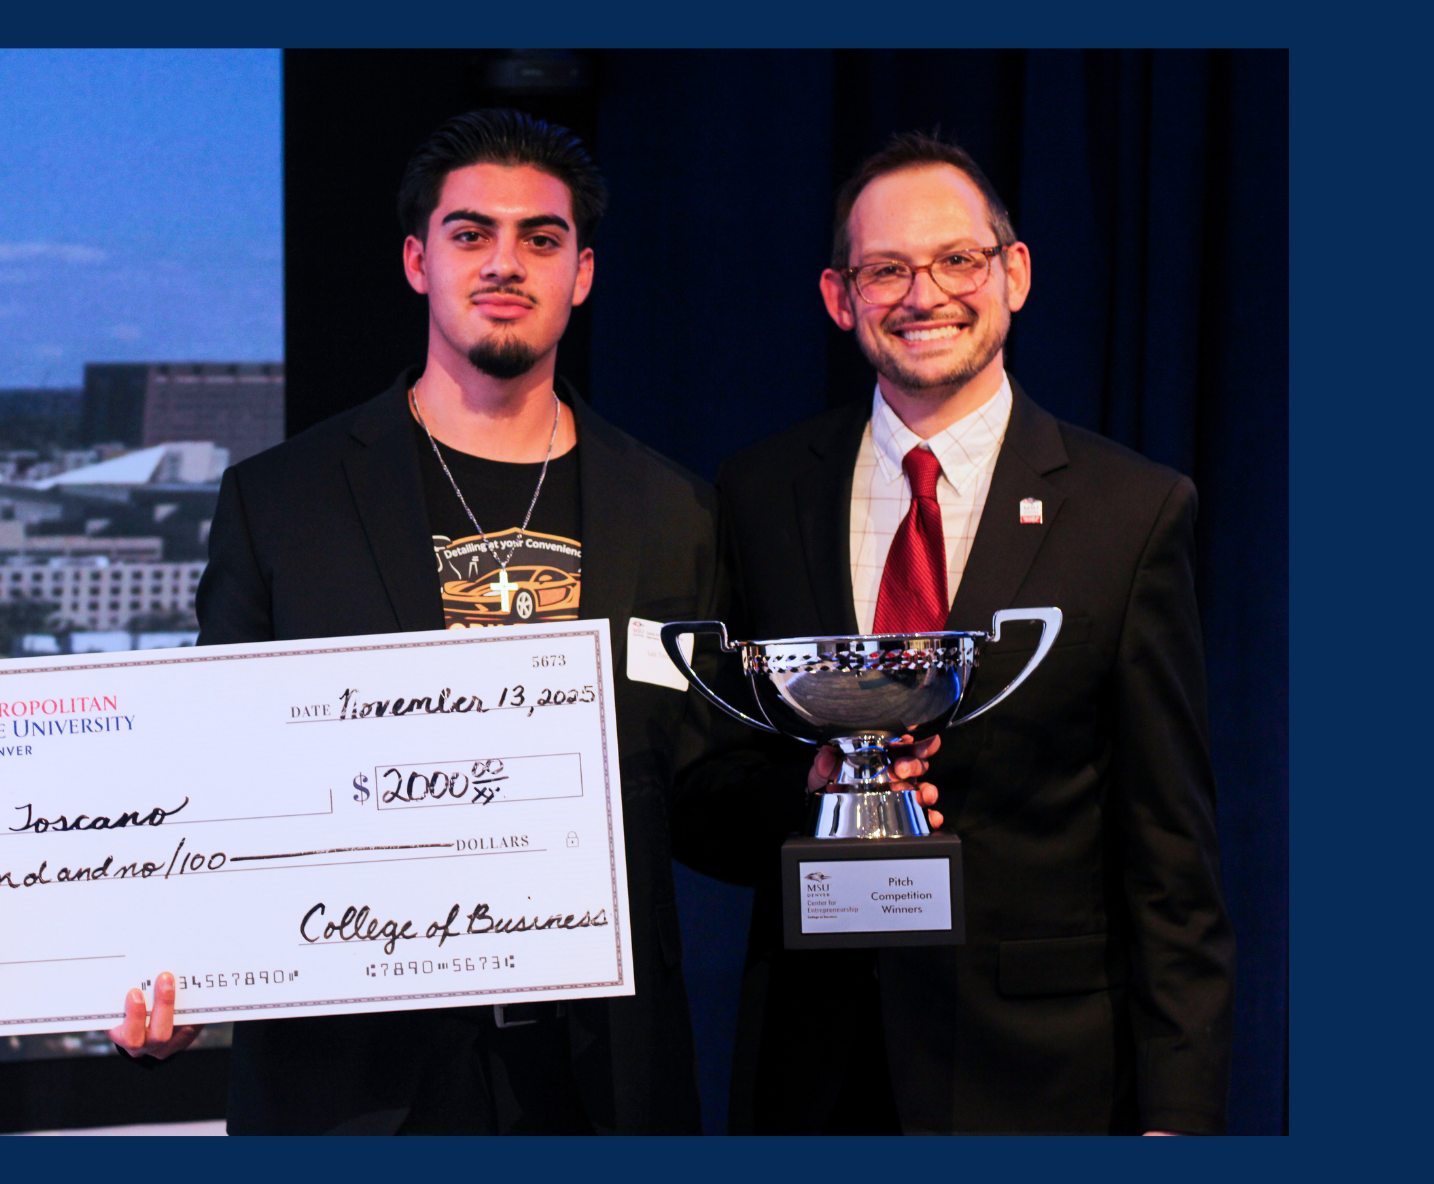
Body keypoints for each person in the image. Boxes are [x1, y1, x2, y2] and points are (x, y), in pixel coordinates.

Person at [107, 108, 938, 1135]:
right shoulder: (283, 499)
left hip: (597, 1076)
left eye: (541, 239)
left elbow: (697, 785)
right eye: (472, 234)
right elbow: (210, 773)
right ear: (418, 259)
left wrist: (817, 788)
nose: (507, 262)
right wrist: (165, 963)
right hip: (354, 1078)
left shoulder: (674, 510)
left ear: (582, 272)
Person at [673, 132, 1235, 1135]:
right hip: (817, 1077)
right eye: (885, 267)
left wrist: (1178, 1120)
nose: (922, 293)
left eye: (956, 259)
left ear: (1012, 273)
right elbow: (705, 791)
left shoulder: (1130, 513)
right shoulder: (761, 493)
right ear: (839, 296)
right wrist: (808, 791)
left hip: (1043, 1083)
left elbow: (1171, 859)